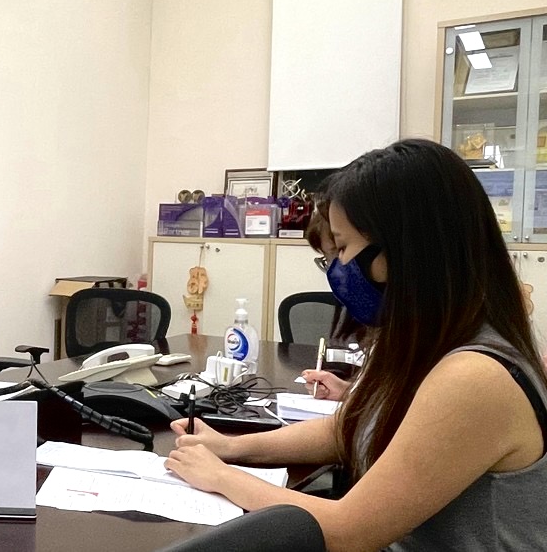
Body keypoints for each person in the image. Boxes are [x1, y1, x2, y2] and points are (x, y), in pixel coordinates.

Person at [165, 139, 547, 551]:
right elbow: (350, 429)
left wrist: (221, 476)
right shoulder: (433, 344)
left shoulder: (475, 377)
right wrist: (230, 447)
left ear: (405, 249)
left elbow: (348, 531)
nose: (339, 267)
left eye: (344, 247)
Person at [301, 202, 365, 401]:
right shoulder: (353, 307)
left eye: (340, 250)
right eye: (328, 258)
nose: (336, 268)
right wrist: (346, 391)